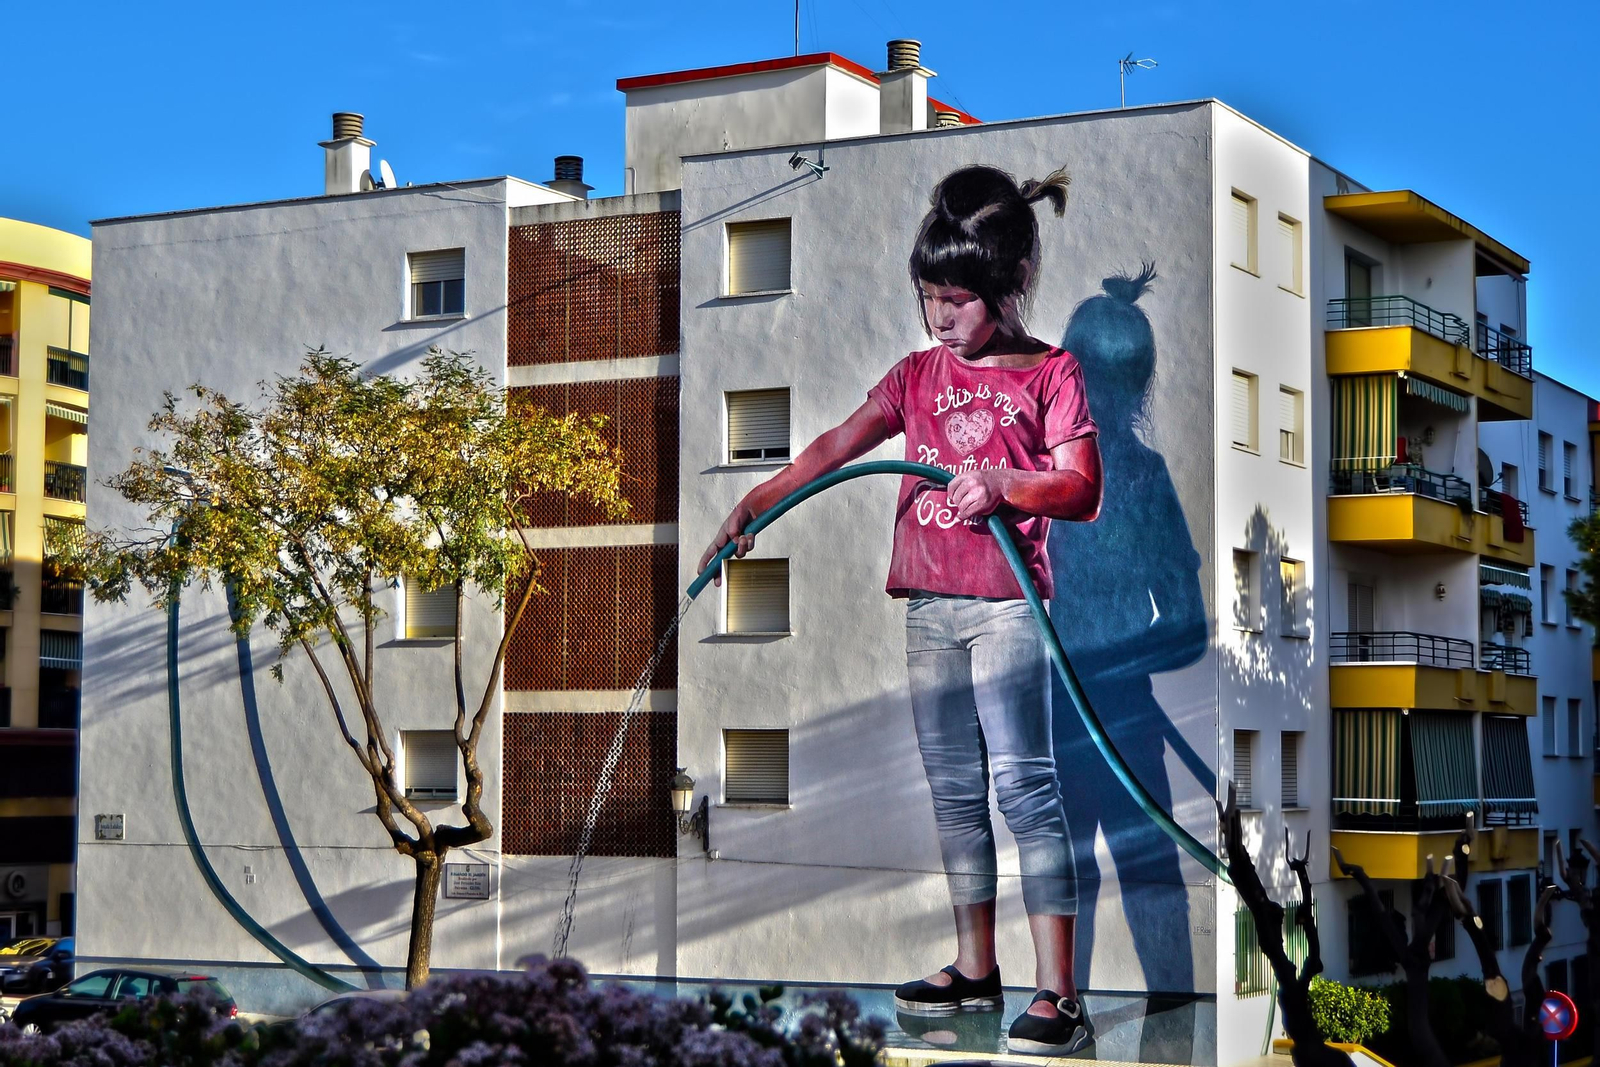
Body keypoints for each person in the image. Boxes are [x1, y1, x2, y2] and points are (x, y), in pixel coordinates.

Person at [698, 164, 1104, 1055]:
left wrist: (1005, 483)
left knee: (1026, 791)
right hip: (927, 604)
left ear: (1004, 287)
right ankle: (974, 968)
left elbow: (1081, 489)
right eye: (929, 297)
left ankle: (1061, 994)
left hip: (1007, 607)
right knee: (954, 793)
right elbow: (838, 444)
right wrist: (756, 500)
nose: (940, 317)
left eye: (956, 299)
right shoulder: (918, 375)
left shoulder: (1051, 373)